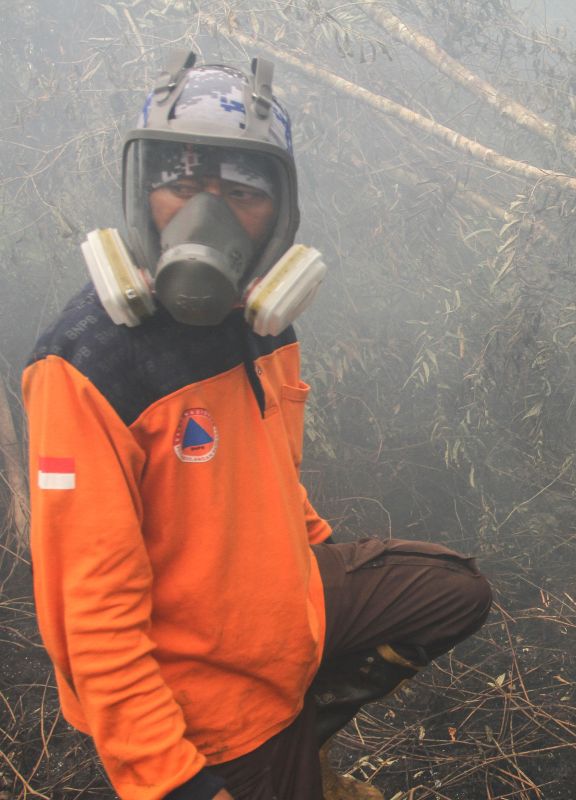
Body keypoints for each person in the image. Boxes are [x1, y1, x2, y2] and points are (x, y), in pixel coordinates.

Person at [23, 52, 492, 800]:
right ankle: (272, 756)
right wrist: (172, 782)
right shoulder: (87, 365)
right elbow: (93, 620)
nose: (204, 217)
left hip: (276, 608)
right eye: (179, 186)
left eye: (240, 192)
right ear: (138, 193)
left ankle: (303, 725)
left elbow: (267, 468)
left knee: (450, 592)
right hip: (210, 700)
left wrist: (314, 567)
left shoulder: (265, 320)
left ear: (281, 208)